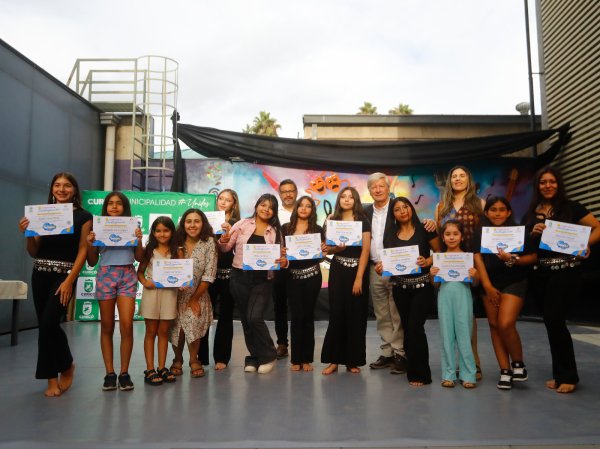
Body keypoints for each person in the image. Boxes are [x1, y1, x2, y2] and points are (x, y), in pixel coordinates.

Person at [524, 166, 600, 394]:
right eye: (543, 182)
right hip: (540, 274)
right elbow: (527, 245)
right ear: (537, 186)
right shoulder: (531, 212)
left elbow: (597, 227)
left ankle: (568, 376)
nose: (548, 185)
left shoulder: (572, 207)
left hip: (566, 271)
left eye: (552, 181)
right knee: (551, 323)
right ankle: (559, 374)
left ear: (558, 184)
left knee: (555, 320)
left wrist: (585, 244)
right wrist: (533, 233)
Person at [18, 172, 92, 397]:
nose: (62, 189)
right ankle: (52, 378)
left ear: (74, 190)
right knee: (45, 326)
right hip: (40, 274)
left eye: (67, 185)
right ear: (52, 189)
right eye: (57, 185)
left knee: (49, 322)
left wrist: (70, 280)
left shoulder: (84, 216)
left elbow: (83, 250)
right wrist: (28, 234)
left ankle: (66, 364)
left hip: (64, 276)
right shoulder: (42, 214)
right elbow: (33, 251)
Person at [218, 194, 289, 374]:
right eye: (263, 205)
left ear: (274, 211)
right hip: (239, 276)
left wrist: (284, 262)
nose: (266, 209)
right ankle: (254, 357)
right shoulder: (242, 224)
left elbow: (283, 256)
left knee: (254, 317)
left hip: (263, 279)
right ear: (257, 206)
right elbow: (226, 248)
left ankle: (269, 355)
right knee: (245, 320)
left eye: (271, 207)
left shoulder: (276, 231)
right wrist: (223, 240)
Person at [375, 197, 441, 386]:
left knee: (415, 328)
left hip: (422, 287)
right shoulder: (390, 234)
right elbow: (388, 262)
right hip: (400, 288)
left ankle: (422, 374)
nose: (403, 211)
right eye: (397, 209)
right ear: (393, 214)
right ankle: (412, 369)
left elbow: (440, 253)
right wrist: (381, 268)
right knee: (407, 328)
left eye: (405, 207)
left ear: (411, 208)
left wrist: (428, 261)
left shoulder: (425, 229)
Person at [474, 197, 537, 390]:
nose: (498, 213)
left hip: (514, 281)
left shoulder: (519, 231)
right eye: (493, 209)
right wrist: (487, 285)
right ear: (486, 213)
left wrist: (513, 259)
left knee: (506, 323)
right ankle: (505, 370)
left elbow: (533, 257)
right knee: (494, 325)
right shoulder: (480, 233)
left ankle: (518, 364)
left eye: (502, 209)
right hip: (490, 283)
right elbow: (477, 258)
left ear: (509, 212)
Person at [86, 191, 144, 391]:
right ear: (106, 207)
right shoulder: (97, 227)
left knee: (127, 326)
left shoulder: (133, 226)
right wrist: (90, 243)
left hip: (127, 273)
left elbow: (139, 258)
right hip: (106, 274)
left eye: (119, 203)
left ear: (124, 207)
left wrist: (139, 240)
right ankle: (109, 373)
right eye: (110, 203)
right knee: (107, 326)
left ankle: (124, 373)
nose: (114, 206)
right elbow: (91, 262)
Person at [434, 165, 485, 380]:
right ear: (449, 181)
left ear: (468, 179)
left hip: (472, 261)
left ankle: (473, 363)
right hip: (448, 264)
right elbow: (438, 236)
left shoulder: (479, 203)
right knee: (451, 320)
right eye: (454, 176)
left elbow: (486, 233)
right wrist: (438, 262)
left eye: (462, 175)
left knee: (468, 317)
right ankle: (460, 366)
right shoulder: (441, 206)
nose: (457, 179)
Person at [321, 186, 371, 375]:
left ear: (356, 200)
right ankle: (334, 361)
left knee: (356, 316)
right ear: (339, 200)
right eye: (343, 196)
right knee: (337, 314)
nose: (347, 199)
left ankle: (353, 361)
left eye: (351, 197)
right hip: (338, 270)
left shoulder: (363, 220)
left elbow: (366, 250)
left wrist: (359, 278)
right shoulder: (332, 219)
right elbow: (328, 249)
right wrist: (337, 249)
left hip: (357, 271)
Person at [363, 173, 406, 374]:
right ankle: (387, 352)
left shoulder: (398, 207)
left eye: (381, 186)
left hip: (396, 267)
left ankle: (400, 353)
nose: (378, 190)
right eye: (374, 187)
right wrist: (331, 219)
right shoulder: (364, 211)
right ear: (369, 191)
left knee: (396, 311)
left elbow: (411, 225)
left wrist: (429, 222)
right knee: (381, 313)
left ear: (388, 188)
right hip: (374, 268)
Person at [430, 220, 480, 389]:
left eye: (455, 234)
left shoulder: (467, 257)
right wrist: (432, 274)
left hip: (463, 298)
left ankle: (469, 374)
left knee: (465, 335)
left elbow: (475, 283)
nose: (451, 237)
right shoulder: (439, 258)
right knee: (446, 336)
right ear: (443, 237)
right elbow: (435, 284)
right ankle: (448, 374)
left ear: (462, 236)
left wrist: (475, 275)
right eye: (448, 234)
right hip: (444, 298)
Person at [170, 209, 217, 378]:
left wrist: (194, 298)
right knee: (177, 327)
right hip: (174, 295)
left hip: (199, 294)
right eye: (188, 221)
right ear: (183, 224)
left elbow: (209, 273)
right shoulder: (175, 241)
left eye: (197, 221)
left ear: (203, 223)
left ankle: (193, 359)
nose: (192, 225)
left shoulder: (209, 242)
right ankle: (177, 358)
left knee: (193, 323)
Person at [282, 196, 326, 372]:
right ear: (296, 208)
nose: (304, 208)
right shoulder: (286, 228)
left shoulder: (317, 229)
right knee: (296, 317)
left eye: (308, 206)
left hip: (313, 276)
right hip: (292, 277)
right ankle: (296, 359)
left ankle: (307, 359)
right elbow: (281, 254)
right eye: (301, 205)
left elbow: (321, 257)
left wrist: (323, 252)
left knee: (308, 316)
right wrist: (282, 252)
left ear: (312, 211)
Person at [198, 189, 241, 370]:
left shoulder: (238, 223)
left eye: (227, 200)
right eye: (220, 198)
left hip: (229, 272)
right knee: (203, 315)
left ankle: (222, 357)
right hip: (208, 273)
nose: (223, 202)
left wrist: (228, 234)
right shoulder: (207, 221)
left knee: (226, 315)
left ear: (234, 204)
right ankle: (200, 358)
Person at [137, 216, 180, 386]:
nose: (162, 234)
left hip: (169, 295)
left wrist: (183, 282)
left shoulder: (177, 251)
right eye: (158, 231)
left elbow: (182, 273)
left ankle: (162, 367)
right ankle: (150, 369)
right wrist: (145, 282)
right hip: (151, 294)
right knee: (151, 332)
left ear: (172, 232)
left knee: (163, 332)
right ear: (153, 233)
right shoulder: (149, 250)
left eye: (166, 230)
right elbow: (140, 272)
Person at [273, 179, 298, 358]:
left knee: (298, 306)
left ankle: (299, 344)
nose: (288, 194)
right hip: (279, 265)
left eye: (291, 191)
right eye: (284, 191)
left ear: (296, 193)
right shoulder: (274, 214)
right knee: (279, 305)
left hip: (300, 265)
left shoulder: (304, 210)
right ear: (280, 194)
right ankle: (282, 343)